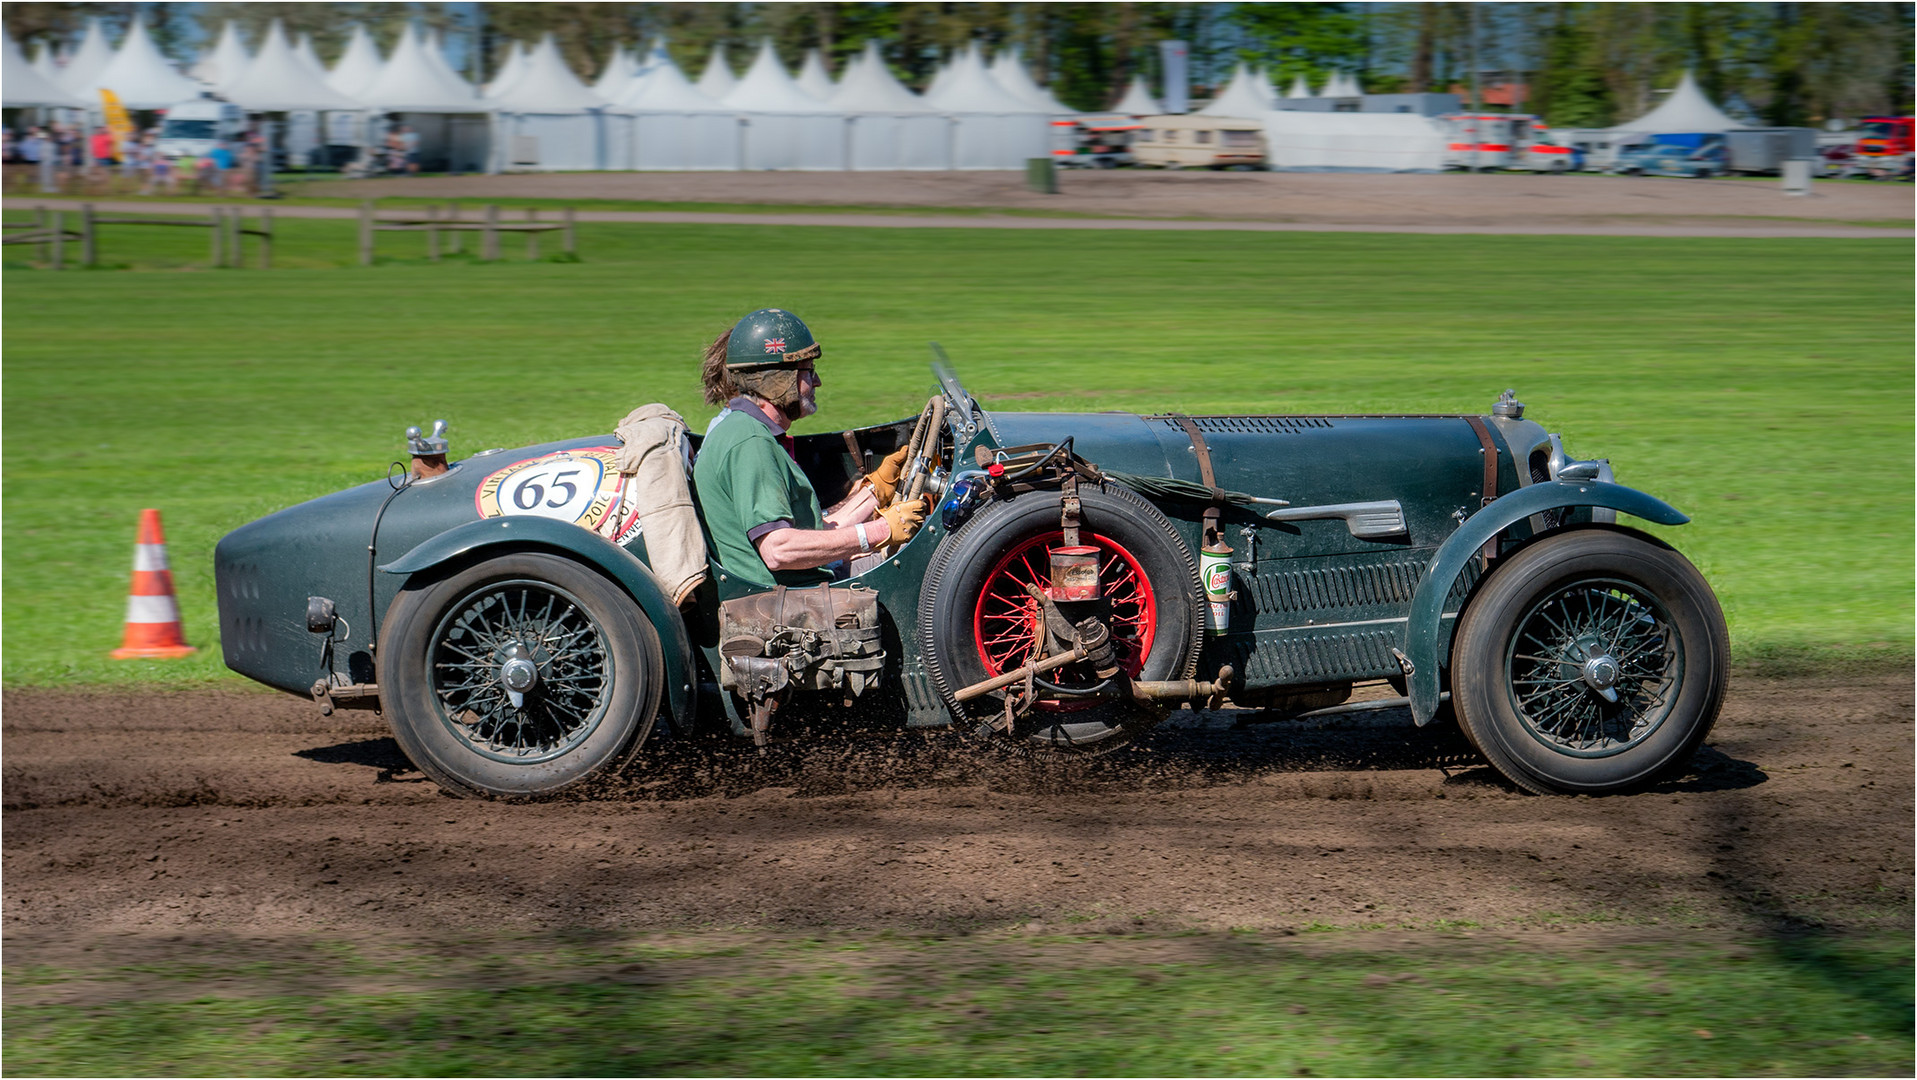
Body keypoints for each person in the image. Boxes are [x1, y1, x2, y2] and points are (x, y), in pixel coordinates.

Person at [692, 308, 926, 588]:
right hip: (790, 598)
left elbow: (817, 533)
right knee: (928, 564)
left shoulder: (743, 429)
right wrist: (881, 530)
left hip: (802, 582)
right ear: (776, 378)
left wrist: (875, 491)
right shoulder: (750, 442)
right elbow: (779, 550)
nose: (817, 382)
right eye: (808, 371)